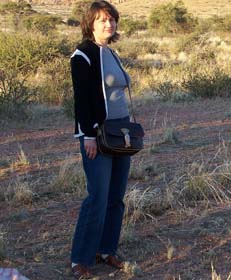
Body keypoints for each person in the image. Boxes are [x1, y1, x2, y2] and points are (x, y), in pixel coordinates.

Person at [69, 1, 132, 278]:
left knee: (116, 197)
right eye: (102, 20)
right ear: (90, 24)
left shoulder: (111, 52)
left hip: (121, 132)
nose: (109, 24)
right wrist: (89, 135)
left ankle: (107, 250)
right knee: (97, 197)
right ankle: (80, 260)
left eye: (112, 20)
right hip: (98, 134)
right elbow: (82, 100)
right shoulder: (83, 55)